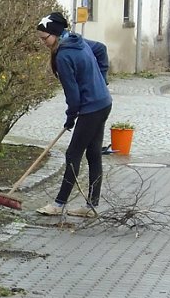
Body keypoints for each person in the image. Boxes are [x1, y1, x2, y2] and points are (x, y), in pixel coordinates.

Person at [35, 13, 112, 218]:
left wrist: (71, 116)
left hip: (91, 109)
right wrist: (101, 81)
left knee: (73, 154)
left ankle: (58, 204)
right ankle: (91, 207)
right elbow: (101, 49)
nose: (43, 43)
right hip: (103, 102)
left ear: (56, 34)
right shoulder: (77, 41)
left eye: (45, 38)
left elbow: (73, 94)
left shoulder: (63, 56)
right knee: (93, 154)